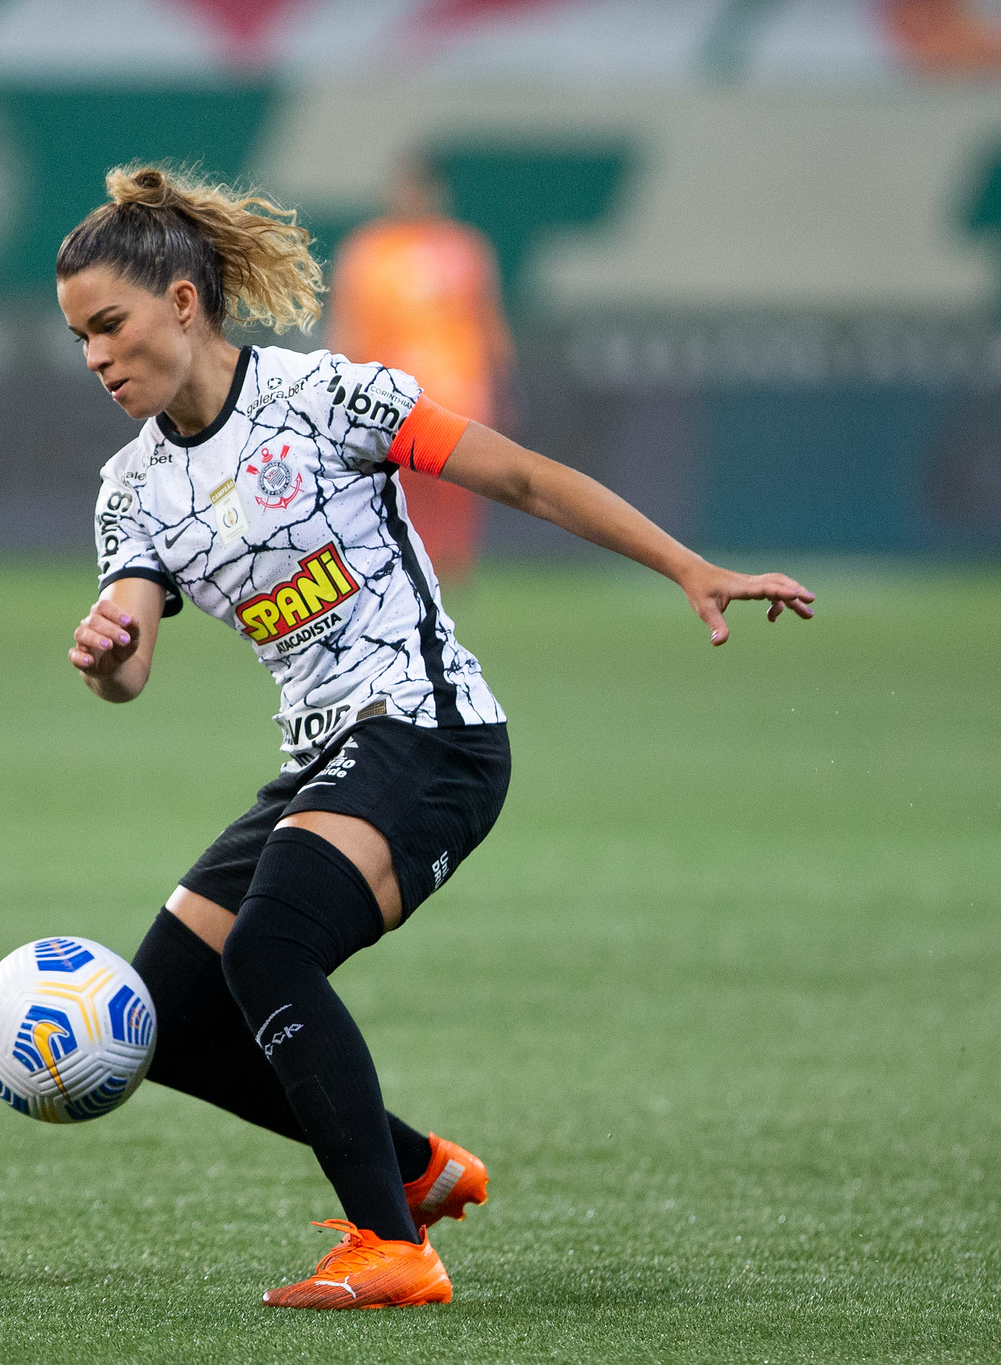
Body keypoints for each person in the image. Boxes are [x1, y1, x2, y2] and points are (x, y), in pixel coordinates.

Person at [56, 166, 813, 1311]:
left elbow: (519, 475)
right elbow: (133, 657)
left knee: (268, 950)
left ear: (181, 301)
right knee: (165, 1014)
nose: (96, 357)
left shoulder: (326, 399)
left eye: (109, 324)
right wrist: (112, 658)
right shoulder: (132, 489)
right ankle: (414, 1167)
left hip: (430, 733)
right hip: (326, 758)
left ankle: (392, 1246)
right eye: (77, 338)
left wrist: (687, 567)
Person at [327, 155, 511, 586]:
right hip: (388, 391)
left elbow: (486, 320)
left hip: (458, 384)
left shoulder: (465, 249)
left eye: (420, 189)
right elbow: (348, 323)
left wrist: (500, 383)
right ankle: (403, 559)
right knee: (397, 483)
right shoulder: (367, 250)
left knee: (459, 484)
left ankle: (453, 568)